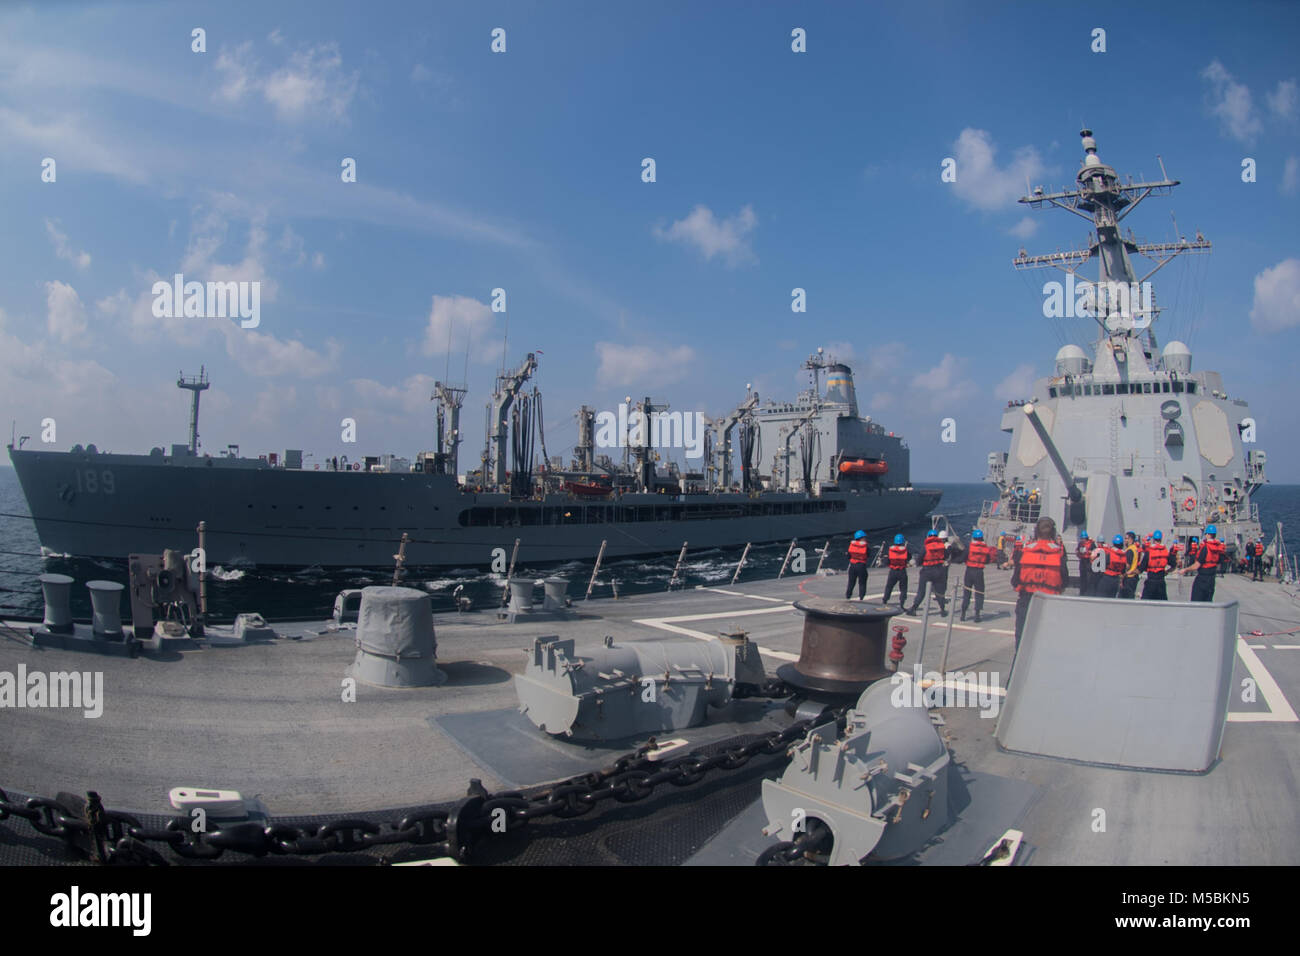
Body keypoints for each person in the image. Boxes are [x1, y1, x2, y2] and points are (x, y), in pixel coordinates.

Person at [1011, 516, 1069, 653]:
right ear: (1053, 533)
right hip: (1049, 603)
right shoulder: (1059, 554)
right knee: (1046, 641)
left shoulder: (1024, 551)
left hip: (1026, 600)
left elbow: (1015, 581)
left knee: (1021, 640)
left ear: (1036, 532)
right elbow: (1065, 581)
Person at [908, 529, 949, 616]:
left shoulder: (925, 547)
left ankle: (913, 609)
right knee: (939, 592)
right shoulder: (942, 546)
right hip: (939, 570)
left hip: (927, 571)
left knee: (921, 591)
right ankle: (942, 610)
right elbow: (946, 556)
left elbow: (919, 560)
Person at [1181, 524, 1227, 602]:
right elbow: (1221, 561)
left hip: (1202, 578)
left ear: (1207, 534)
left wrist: (1185, 569)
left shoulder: (1205, 548)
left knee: (1196, 601)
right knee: (1208, 601)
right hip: (1212, 579)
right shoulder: (1218, 547)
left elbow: (1196, 566)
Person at [961, 529, 992, 622]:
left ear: (973, 538)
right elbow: (987, 560)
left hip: (969, 571)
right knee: (979, 593)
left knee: (966, 593)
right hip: (979, 572)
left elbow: (963, 557)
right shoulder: (985, 548)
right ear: (982, 538)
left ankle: (963, 614)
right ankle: (977, 615)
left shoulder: (969, 547)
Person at [882, 533, 911, 610]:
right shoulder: (905, 551)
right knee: (903, 589)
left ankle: (885, 600)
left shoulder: (890, 551)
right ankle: (902, 604)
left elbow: (886, 562)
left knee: (889, 587)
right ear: (902, 542)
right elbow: (909, 557)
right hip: (902, 571)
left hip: (893, 571)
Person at [1141, 530, 1170, 601]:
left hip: (1150, 582)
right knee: (1162, 604)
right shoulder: (1165, 551)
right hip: (1161, 582)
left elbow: (1141, 568)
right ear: (1161, 539)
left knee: (1145, 603)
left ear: (1153, 539)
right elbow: (1174, 565)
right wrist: (1167, 571)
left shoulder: (1149, 552)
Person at [845, 530, 870, 601]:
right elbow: (868, 555)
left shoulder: (851, 545)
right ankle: (861, 598)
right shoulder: (866, 546)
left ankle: (848, 597)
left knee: (851, 582)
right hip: (861, 566)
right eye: (864, 537)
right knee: (862, 583)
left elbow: (848, 556)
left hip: (852, 566)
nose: (865, 538)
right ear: (861, 538)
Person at [1119, 532, 1142, 599]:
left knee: (1125, 597)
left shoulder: (1129, 550)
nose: (1125, 540)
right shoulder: (1135, 548)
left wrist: (1122, 575)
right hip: (1133, 577)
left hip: (1129, 578)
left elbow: (1127, 566)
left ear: (1131, 539)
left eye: (1126, 538)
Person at [1076, 532, 1094, 596]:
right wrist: (1078, 552)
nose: (1082, 540)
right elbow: (1077, 550)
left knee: (1088, 577)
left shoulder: (1092, 544)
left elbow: (1094, 551)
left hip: (1088, 561)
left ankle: (1087, 592)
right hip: (1082, 561)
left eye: (1083, 539)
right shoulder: (1080, 544)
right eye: (1081, 539)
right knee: (1082, 577)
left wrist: (1089, 552)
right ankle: (1082, 592)